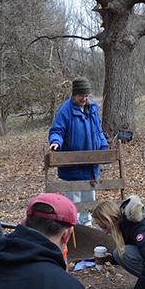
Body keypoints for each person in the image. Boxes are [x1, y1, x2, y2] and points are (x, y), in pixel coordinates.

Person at [48, 76, 108, 226]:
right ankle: (73, 232)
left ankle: (87, 232)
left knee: (88, 203)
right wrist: (56, 142)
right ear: (74, 95)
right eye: (81, 96)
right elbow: (57, 130)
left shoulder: (92, 109)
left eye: (86, 96)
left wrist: (103, 148)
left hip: (90, 167)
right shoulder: (65, 110)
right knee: (72, 205)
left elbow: (98, 132)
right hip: (72, 167)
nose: (84, 99)